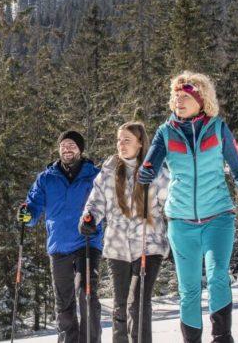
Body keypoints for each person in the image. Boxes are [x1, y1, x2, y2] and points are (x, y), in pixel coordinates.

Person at [137, 72, 238, 343]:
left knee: (218, 277)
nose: (178, 101)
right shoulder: (166, 132)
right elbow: (150, 163)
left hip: (218, 217)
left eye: (185, 97)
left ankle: (222, 338)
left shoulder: (218, 129)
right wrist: (146, 171)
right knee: (189, 289)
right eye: (175, 97)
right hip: (181, 223)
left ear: (201, 100)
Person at [81, 122, 170, 343]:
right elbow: (96, 202)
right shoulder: (109, 170)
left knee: (137, 303)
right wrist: (89, 218)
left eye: (127, 140)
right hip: (117, 247)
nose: (121, 145)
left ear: (140, 144)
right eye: (119, 140)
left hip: (148, 246)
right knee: (121, 306)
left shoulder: (156, 170)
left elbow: (171, 201)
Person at [21, 130, 105, 342]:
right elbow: (33, 206)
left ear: (80, 150)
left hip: (87, 242)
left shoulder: (94, 175)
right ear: (59, 150)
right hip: (59, 246)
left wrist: (93, 221)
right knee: (64, 302)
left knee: (88, 296)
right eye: (64, 145)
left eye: (72, 145)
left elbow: (107, 204)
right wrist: (26, 214)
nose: (67, 149)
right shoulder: (46, 178)